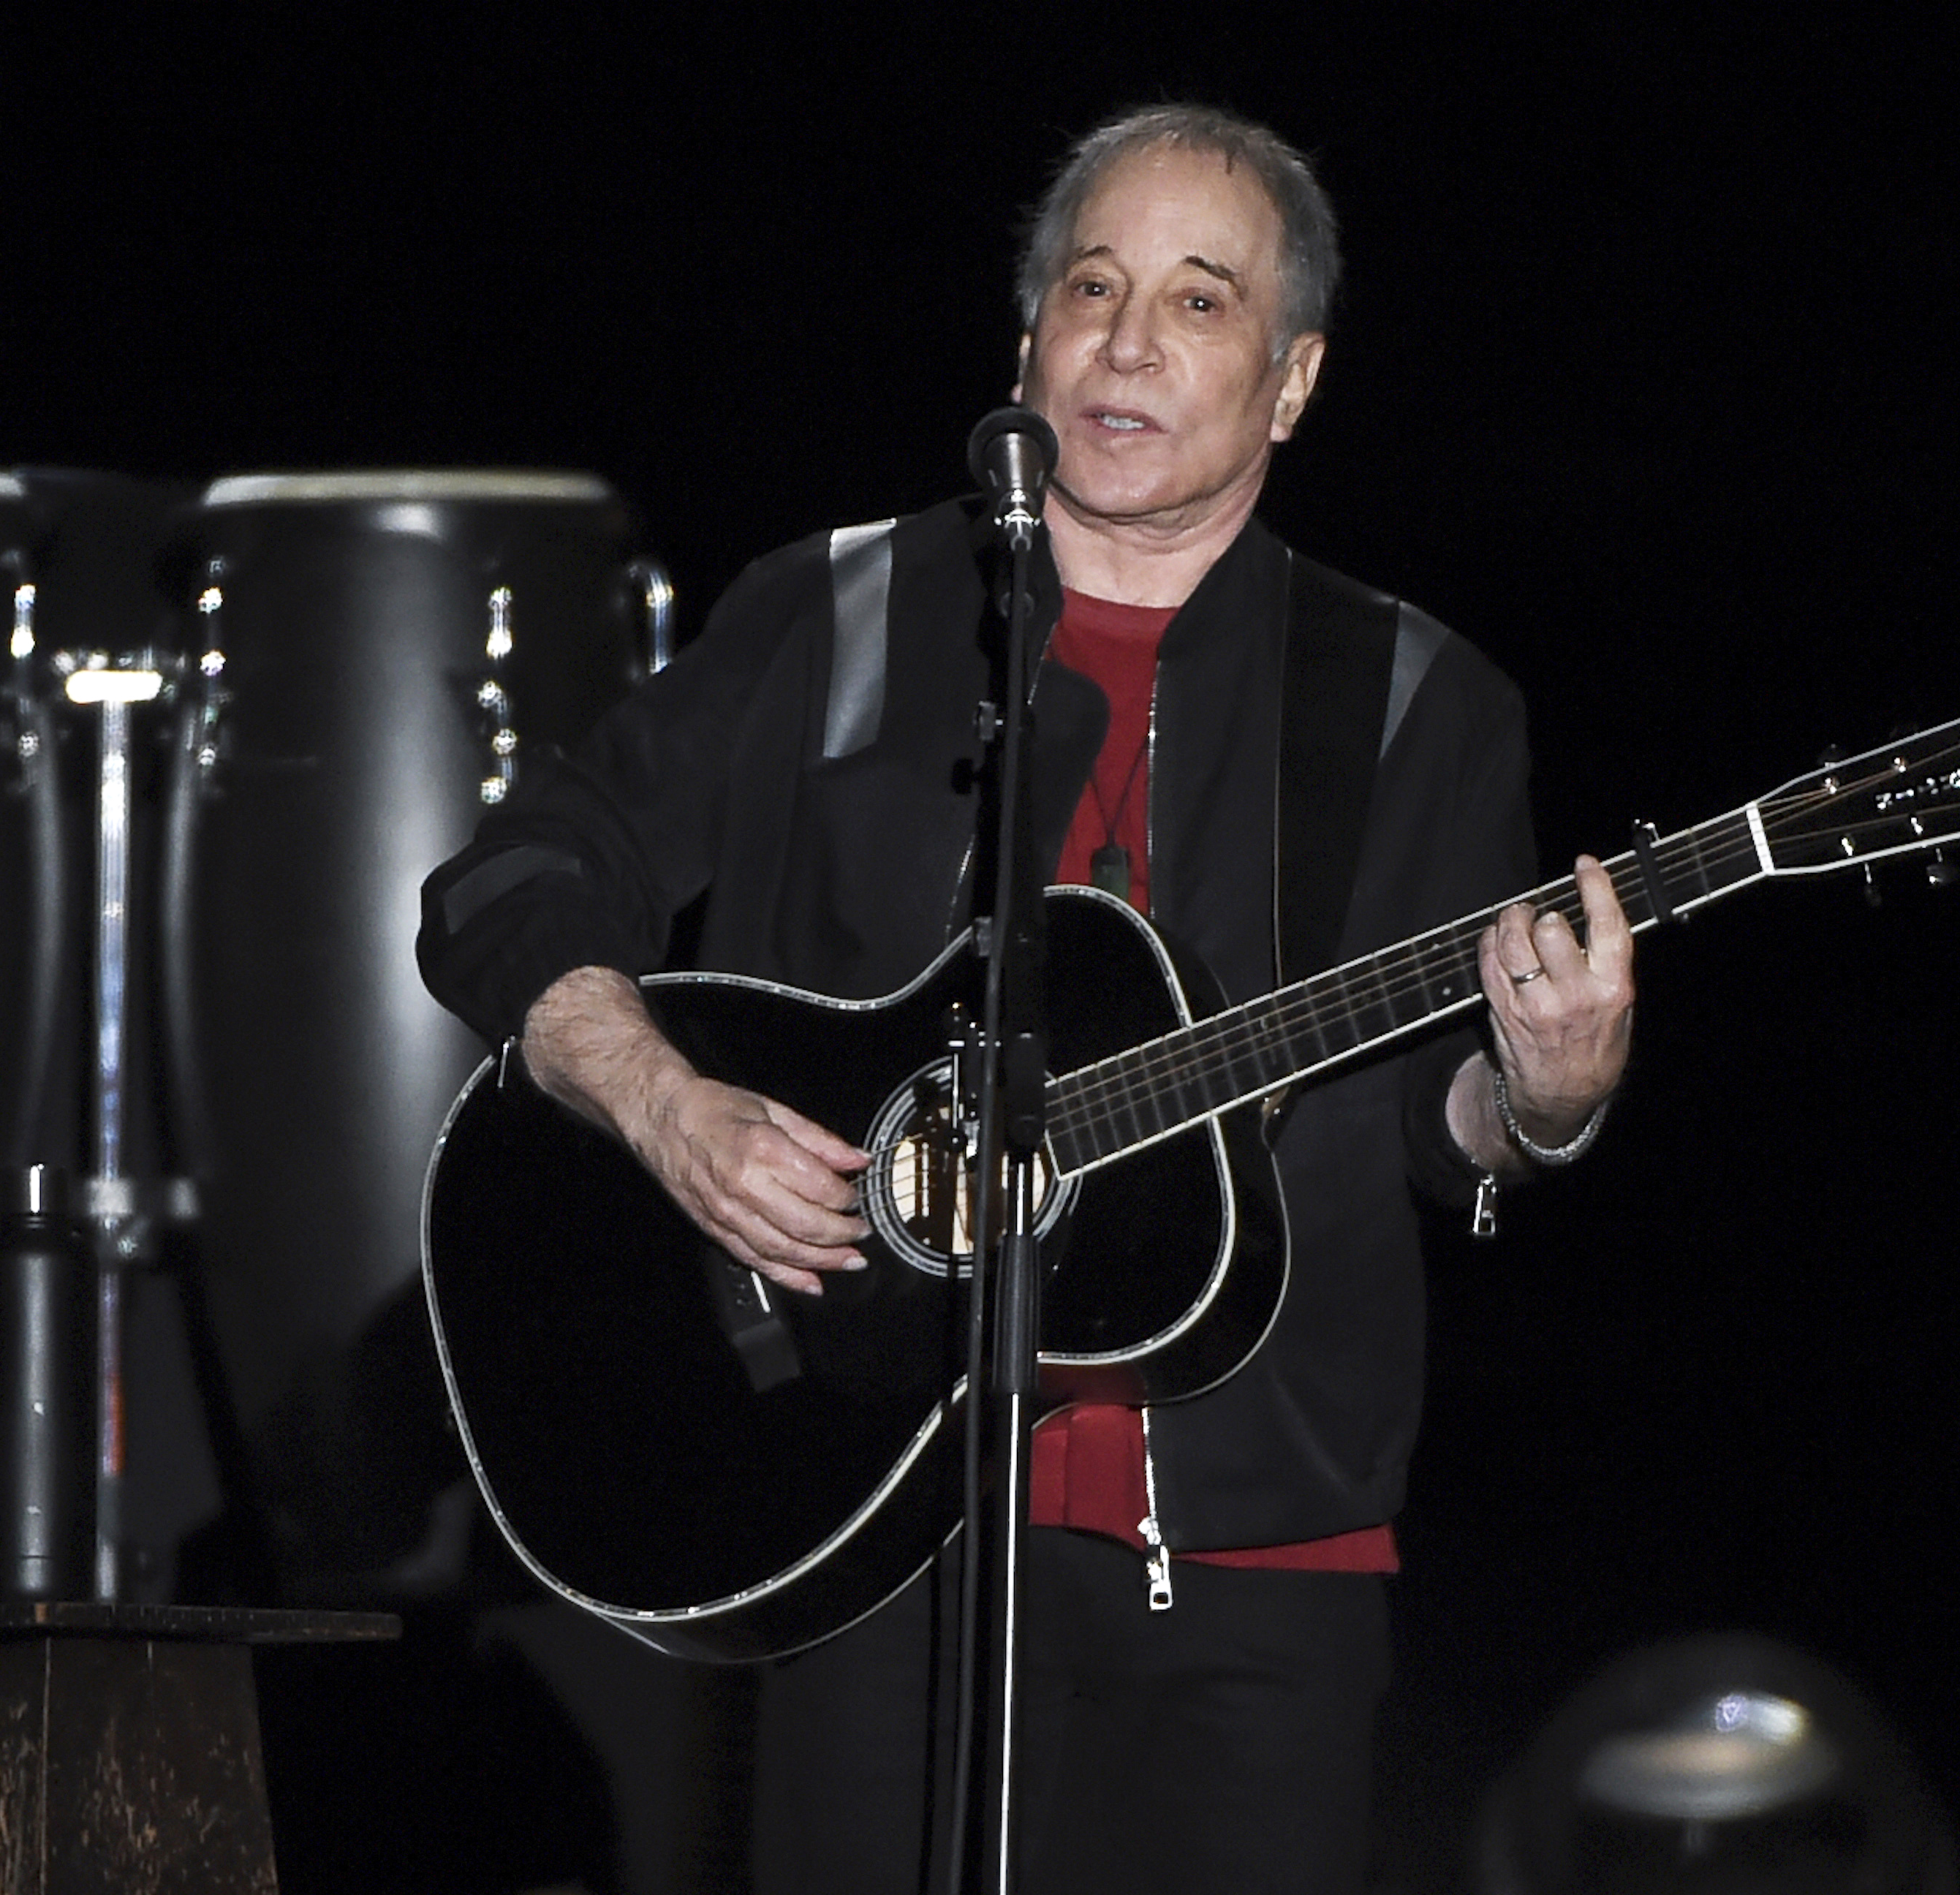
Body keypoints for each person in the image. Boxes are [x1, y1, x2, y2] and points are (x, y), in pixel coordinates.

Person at [417, 103, 1634, 1895]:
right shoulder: (827, 617)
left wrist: (1549, 1090)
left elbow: (1436, 1118)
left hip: (1246, 1567)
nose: (1130, 341)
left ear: (1290, 383)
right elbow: (509, 878)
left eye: (1200, 301)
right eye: (1092, 286)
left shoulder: (1409, 702)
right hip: (853, 1505)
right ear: (1027, 345)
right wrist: (661, 1101)